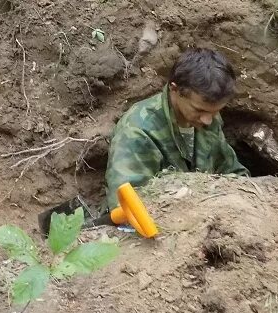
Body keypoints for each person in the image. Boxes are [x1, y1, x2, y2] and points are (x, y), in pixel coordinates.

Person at [105, 47, 248, 207]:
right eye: (199, 110)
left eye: (215, 112)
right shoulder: (137, 131)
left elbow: (235, 174)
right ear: (175, 89)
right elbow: (126, 206)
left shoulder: (207, 118)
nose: (208, 120)